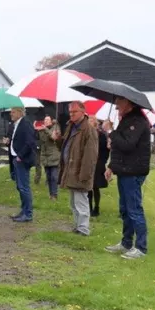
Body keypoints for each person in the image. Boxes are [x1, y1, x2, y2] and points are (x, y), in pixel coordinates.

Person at [103, 98, 152, 259]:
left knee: (134, 209)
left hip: (134, 171)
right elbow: (120, 148)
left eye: (119, 103)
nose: (116, 106)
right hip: (124, 170)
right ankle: (126, 243)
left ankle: (141, 247)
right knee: (125, 209)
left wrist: (111, 132)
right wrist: (111, 167)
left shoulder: (137, 122)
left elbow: (127, 145)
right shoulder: (127, 121)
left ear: (129, 103)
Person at [56, 101, 98, 236]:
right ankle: (78, 226)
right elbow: (65, 147)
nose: (72, 114)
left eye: (74, 112)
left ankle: (84, 229)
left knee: (81, 202)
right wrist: (58, 139)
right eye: (70, 112)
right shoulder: (71, 126)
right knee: (74, 203)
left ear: (82, 112)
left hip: (79, 171)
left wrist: (84, 175)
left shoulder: (88, 130)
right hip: (71, 169)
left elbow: (90, 155)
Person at [8, 107, 37, 222]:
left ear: (20, 113)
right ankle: (23, 211)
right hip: (16, 159)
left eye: (13, 112)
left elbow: (30, 142)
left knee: (24, 187)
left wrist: (20, 156)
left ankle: (28, 214)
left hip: (22, 160)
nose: (11, 114)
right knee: (20, 187)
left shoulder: (26, 124)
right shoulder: (16, 124)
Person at [35, 115, 61, 200]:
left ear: (51, 121)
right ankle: (51, 194)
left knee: (54, 177)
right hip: (45, 157)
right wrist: (37, 130)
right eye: (44, 120)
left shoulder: (56, 127)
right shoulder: (42, 130)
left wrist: (45, 129)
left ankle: (55, 194)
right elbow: (42, 140)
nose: (45, 121)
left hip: (54, 156)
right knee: (49, 177)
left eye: (47, 120)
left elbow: (53, 138)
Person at [87, 117, 110, 217]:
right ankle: (88, 207)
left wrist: (102, 161)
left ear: (95, 124)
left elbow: (106, 150)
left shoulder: (101, 135)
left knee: (95, 187)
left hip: (98, 164)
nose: (90, 124)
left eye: (92, 122)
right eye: (89, 122)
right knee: (88, 187)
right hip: (88, 163)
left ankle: (96, 207)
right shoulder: (86, 135)